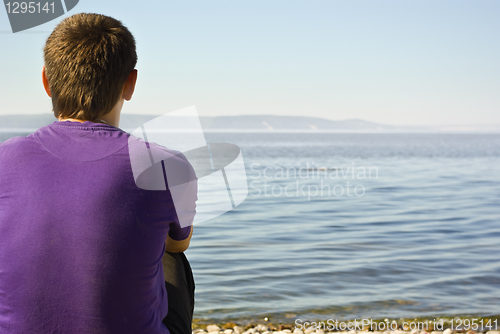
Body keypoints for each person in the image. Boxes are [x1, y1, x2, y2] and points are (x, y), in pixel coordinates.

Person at [0, 13, 197, 334]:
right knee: (167, 255)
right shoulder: (166, 165)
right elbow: (178, 245)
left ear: (46, 81)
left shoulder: (4, 158)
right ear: (130, 84)